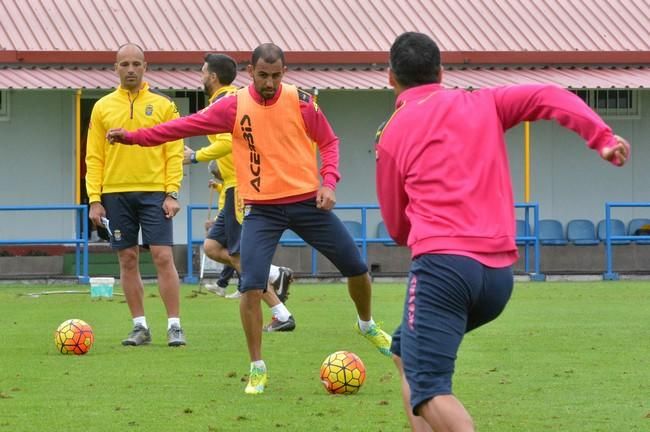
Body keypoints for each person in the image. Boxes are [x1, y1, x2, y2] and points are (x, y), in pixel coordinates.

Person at [375, 32, 631, 432]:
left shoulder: (392, 133)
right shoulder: (483, 103)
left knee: (429, 388)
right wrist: (600, 138)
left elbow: (396, 225)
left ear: (390, 77)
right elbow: (549, 96)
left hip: (442, 270)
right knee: (405, 351)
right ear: (441, 72)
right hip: (496, 279)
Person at [106, 43, 392, 395]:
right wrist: (133, 138)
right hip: (261, 208)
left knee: (357, 267)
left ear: (284, 73)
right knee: (251, 285)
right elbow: (181, 127)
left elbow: (329, 141)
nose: (269, 83)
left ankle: (366, 324)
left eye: (275, 76)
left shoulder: (301, 102)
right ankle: (257, 367)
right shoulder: (233, 105)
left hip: (306, 201)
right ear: (250, 72)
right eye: (262, 75)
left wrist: (329, 182)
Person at [86, 43, 186, 347]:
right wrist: (94, 199)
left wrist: (172, 192)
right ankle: (139, 326)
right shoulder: (102, 107)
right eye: (124, 64)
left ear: (146, 67)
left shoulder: (164, 105)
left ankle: (174, 326)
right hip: (115, 194)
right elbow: (94, 156)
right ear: (115, 68)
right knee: (127, 259)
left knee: (162, 256)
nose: (130, 69)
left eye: (136, 64)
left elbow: (174, 150)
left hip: (155, 192)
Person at [189, 55, 296, 333]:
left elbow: (226, 141)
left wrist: (196, 156)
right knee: (212, 247)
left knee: (245, 258)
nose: (201, 77)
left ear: (212, 76)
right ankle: (274, 273)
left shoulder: (222, 103)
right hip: (231, 185)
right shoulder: (236, 99)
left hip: (241, 187)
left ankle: (281, 314)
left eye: (202, 72)